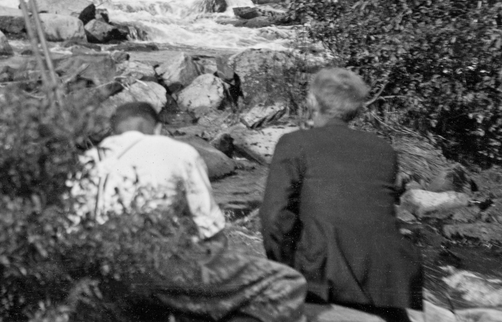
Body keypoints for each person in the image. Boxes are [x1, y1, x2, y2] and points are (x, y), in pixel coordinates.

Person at [71, 101, 307, 322]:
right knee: (288, 282)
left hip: (101, 270)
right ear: (159, 128)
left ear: (113, 132)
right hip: (161, 264)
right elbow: (210, 229)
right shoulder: (177, 151)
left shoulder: (87, 160)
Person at [260, 68, 423, 322]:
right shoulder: (383, 149)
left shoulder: (293, 143)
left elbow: (273, 217)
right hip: (386, 280)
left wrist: (286, 272)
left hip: (323, 278)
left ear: (313, 101)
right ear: (357, 109)